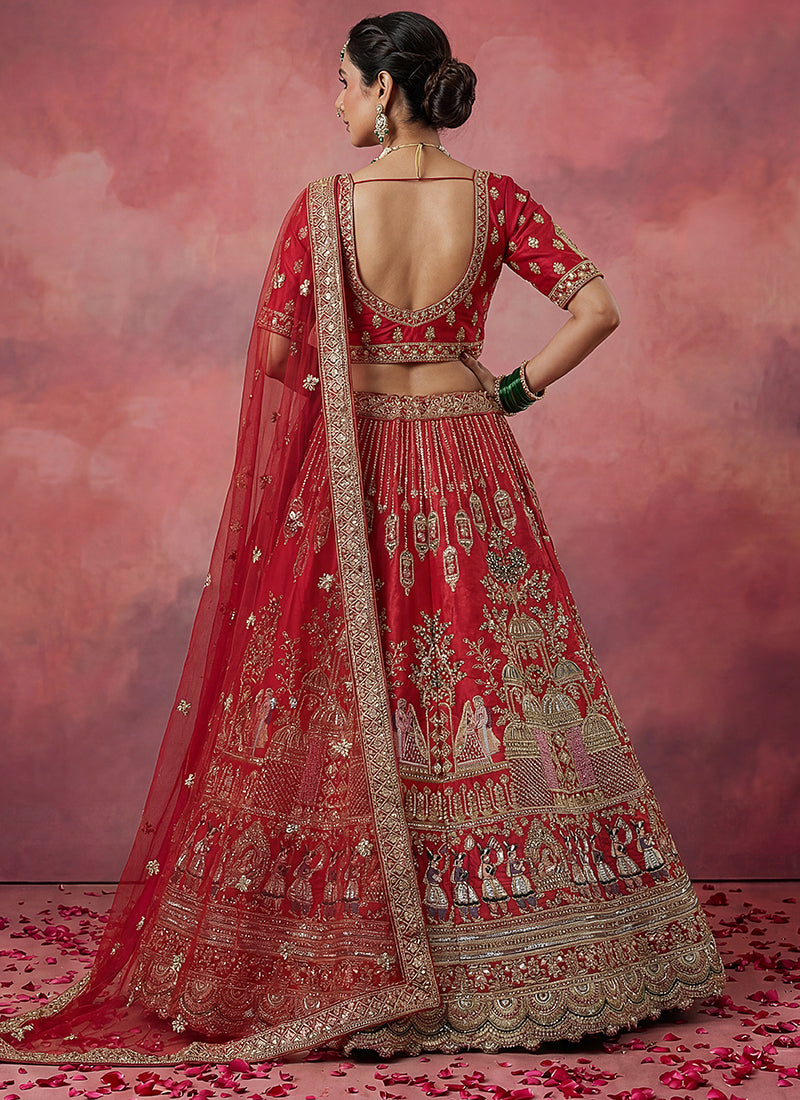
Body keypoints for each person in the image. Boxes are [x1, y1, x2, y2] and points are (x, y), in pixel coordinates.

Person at [0, 11, 724, 1065]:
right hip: (469, 450)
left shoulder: (325, 207)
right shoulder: (498, 200)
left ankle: (351, 942)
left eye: (344, 81)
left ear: (386, 90)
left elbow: (278, 356)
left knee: (345, 683)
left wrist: (353, 381)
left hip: (362, 463)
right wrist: (510, 387)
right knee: (483, 679)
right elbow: (597, 308)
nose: (337, 101)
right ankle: (522, 946)